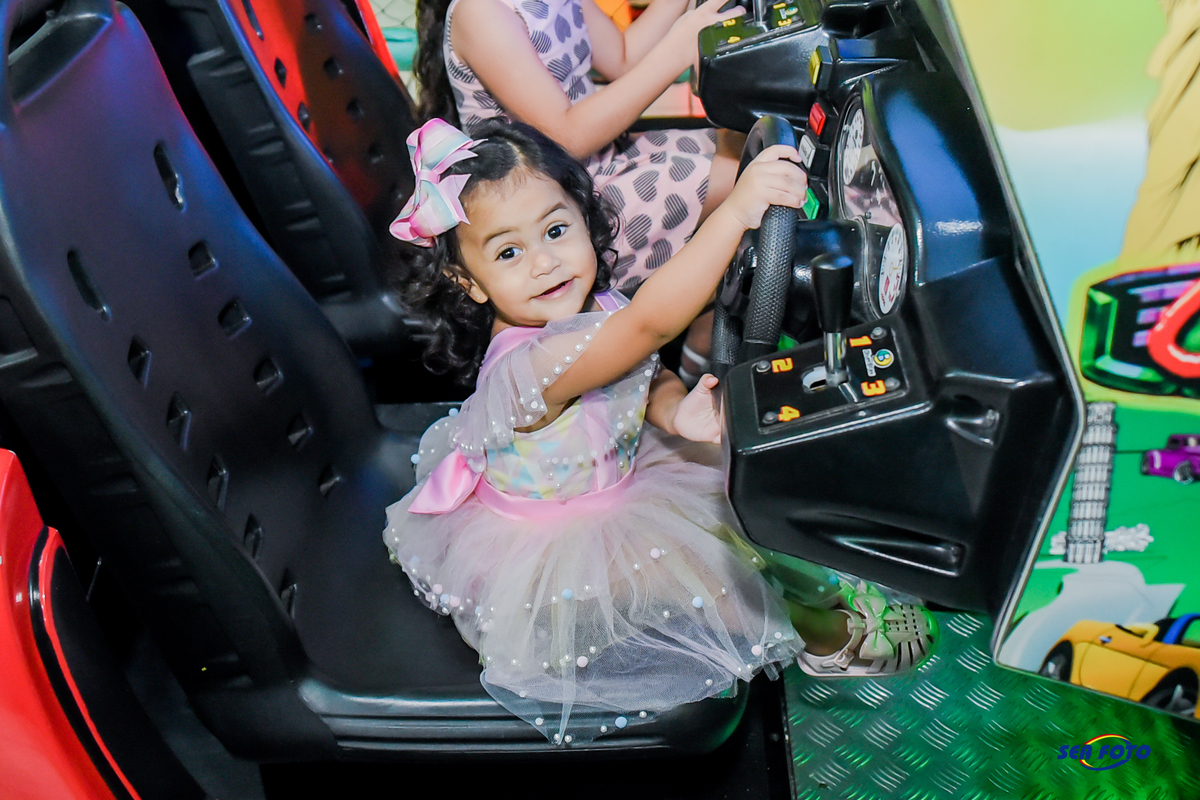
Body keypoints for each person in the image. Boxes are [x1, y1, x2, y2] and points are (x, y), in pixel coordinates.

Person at [382, 118, 936, 744]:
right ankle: (824, 639)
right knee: (711, 572)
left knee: (736, 507)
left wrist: (675, 413)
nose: (544, 262)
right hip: (558, 536)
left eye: (556, 231)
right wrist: (736, 213)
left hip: (618, 477)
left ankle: (814, 592)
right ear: (471, 283)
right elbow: (648, 329)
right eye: (509, 253)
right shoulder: (530, 365)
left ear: (583, 218)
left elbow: (645, 371)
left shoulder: (596, 308)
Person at [414, 0, 746, 381]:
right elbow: (567, 137)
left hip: (605, 160)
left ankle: (703, 350)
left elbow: (623, 57)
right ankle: (704, 359)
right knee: (744, 175)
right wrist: (679, 47)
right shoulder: (481, 12)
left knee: (743, 138)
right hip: (555, 199)